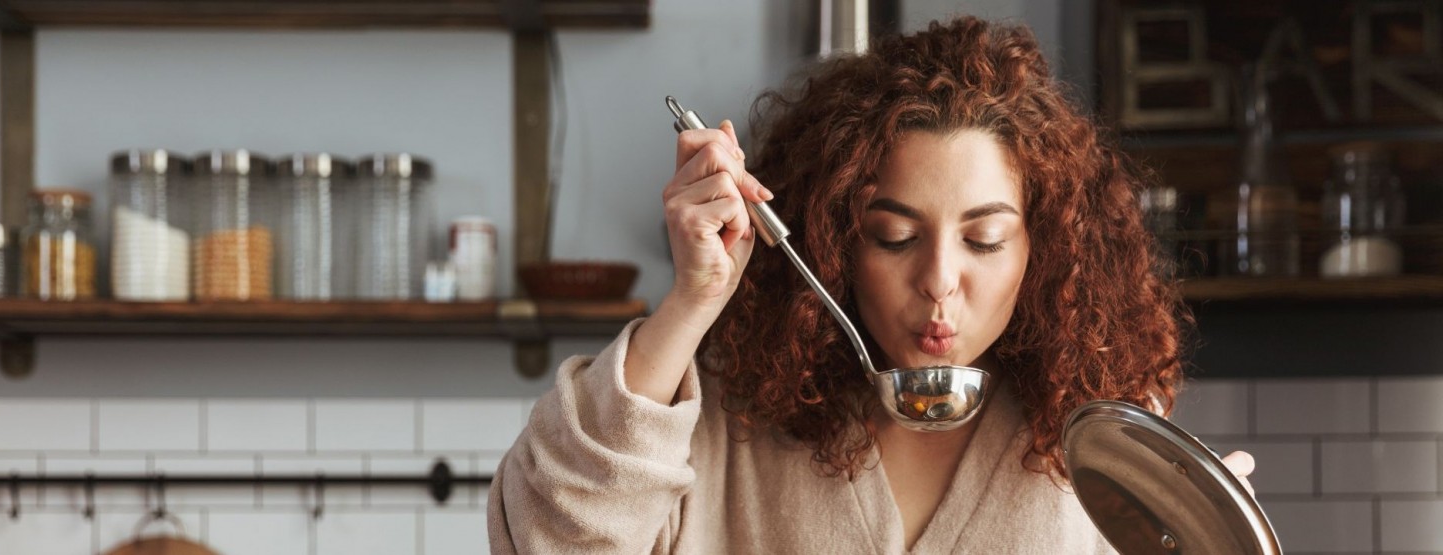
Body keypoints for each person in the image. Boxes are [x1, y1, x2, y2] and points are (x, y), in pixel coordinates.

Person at [488, 16, 1255, 553]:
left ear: (1043, 247)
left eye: (984, 239)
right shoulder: (727, 420)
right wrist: (692, 304)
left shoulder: (1100, 446)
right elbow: (551, 539)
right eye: (895, 236)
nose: (940, 283)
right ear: (834, 238)